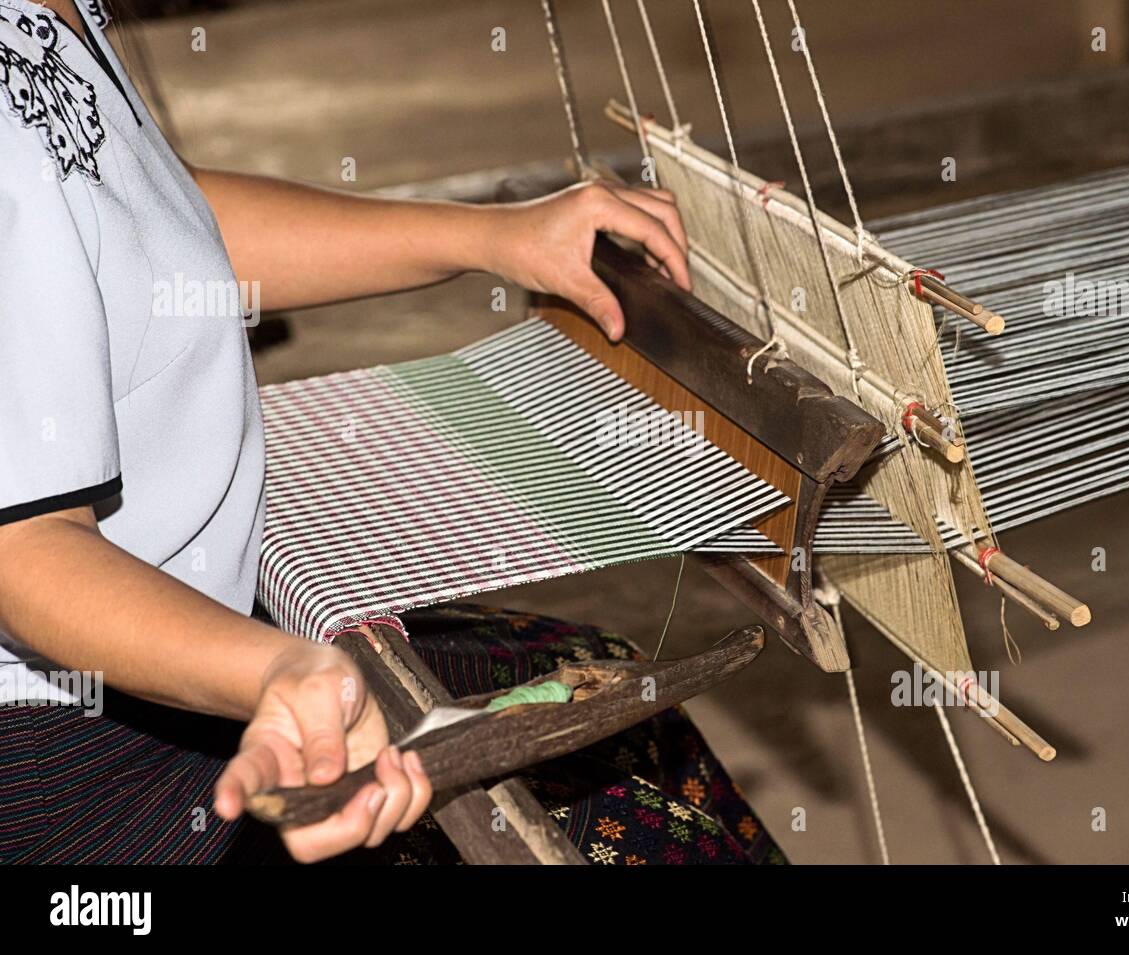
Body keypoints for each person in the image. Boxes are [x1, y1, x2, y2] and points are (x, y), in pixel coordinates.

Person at [0, 0, 786, 864]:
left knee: (613, 690)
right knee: (638, 827)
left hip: (178, 658)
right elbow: (25, 555)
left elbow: (161, 227)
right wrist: (276, 671)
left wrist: (493, 237)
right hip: (87, 770)